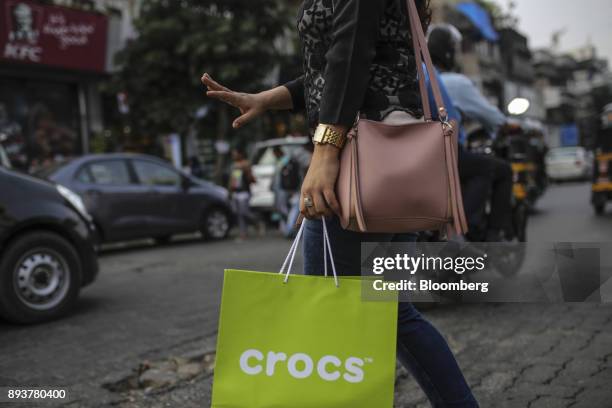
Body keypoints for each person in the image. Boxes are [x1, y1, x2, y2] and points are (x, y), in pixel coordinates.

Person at [202, 1, 479, 406]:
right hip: (387, 159)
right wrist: (267, 98)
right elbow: (344, 63)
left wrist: (326, 150)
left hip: (358, 163)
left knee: (334, 313)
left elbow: (351, 55)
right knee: (393, 316)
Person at [427, 24, 514, 241]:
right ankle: (469, 229)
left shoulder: (416, 71)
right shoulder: (453, 81)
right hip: (444, 152)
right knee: (495, 169)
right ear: (448, 51)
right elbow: (488, 117)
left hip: (418, 153)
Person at [228, 146, 256, 241]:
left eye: (235, 153)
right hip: (236, 192)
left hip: (244, 192)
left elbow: (252, 179)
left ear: (240, 154)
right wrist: (230, 191)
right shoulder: (234, 166)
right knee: (239, 214)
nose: (233, 156)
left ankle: (257, 221)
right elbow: (233, 180)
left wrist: (246, 171)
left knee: (244, 212)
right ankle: (243, 233)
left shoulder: (246, 164)